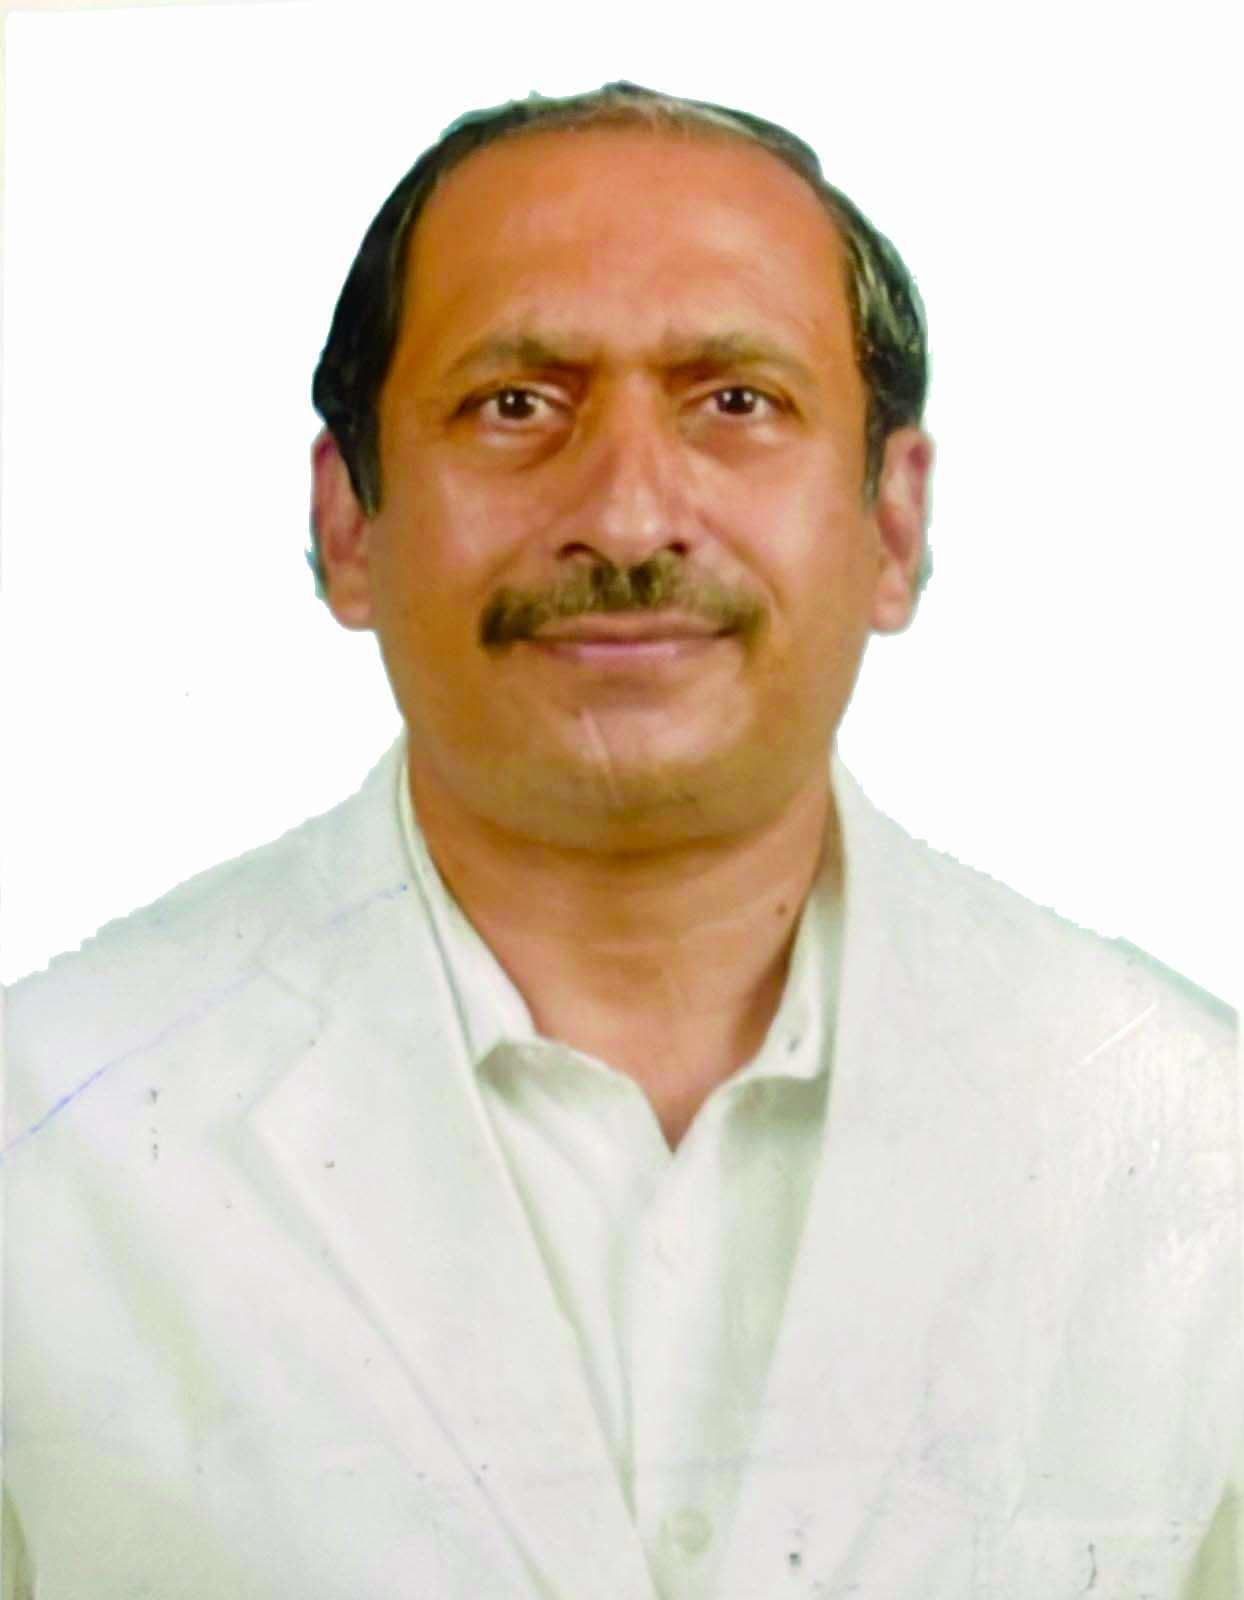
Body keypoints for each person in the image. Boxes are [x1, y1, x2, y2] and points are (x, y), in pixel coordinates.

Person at [2, 79, 1239, 1600]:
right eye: (516, 405)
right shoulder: (47, 1132)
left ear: (894, 524)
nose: (633, 520)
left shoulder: (1196, 1140)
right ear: (348, 523)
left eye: (737, 402)